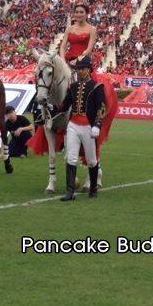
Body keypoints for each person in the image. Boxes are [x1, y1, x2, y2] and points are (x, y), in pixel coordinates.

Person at [60, 56, 105, 201]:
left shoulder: (97, 87)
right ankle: (69, 192)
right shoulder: (72, 87)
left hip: (88, 126)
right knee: (71, 157)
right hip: (73, 125)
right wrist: (53, 106)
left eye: (82, 69)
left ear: (88, 69)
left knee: (91, 160)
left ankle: (93, 188)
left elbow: (101, 108)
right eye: (78, 69)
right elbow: (65, 105)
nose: (79, 71)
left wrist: (97, 125)